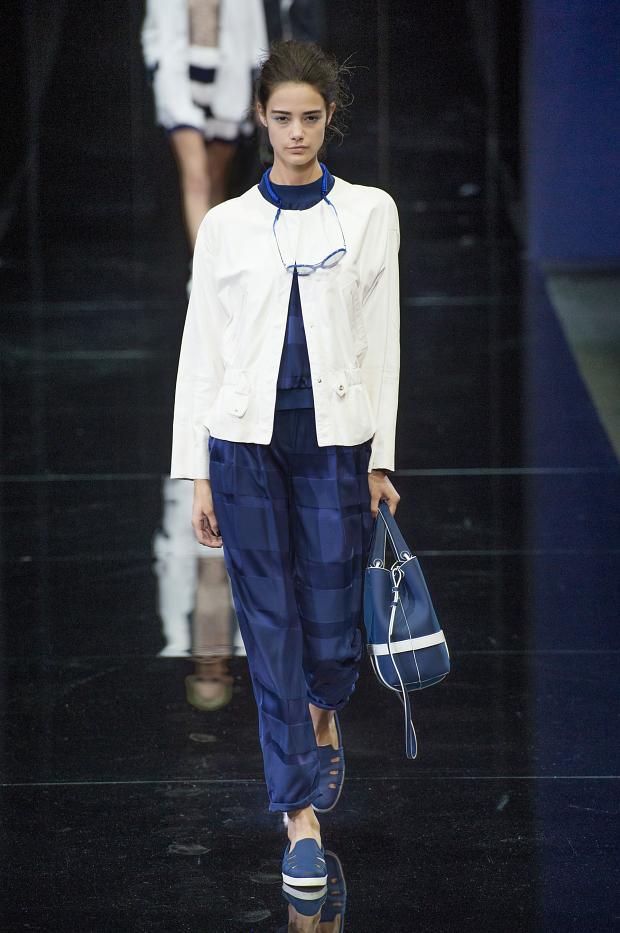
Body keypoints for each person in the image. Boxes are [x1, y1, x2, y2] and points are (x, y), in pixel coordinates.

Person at [170, 39, 401, 891]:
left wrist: (381, 457)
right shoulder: (226, 226)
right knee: (268, 631)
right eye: (281, 118)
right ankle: (298, 814)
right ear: (261, 120)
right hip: (244, 447)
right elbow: (202, 348)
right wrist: (197, 469)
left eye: (310, 117)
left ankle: (324, 710)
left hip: (335, 441)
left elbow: (383, 344)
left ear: (330, 118)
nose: (296, 132)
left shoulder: (370, 212)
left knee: (334, 631)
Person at [141, 0, 268, 250]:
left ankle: (216, 258)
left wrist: (258, 80)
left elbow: (254, 26)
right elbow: (154, 25)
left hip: (230, 80)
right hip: (178, 79)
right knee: (196, 177)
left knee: (215, 176)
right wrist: (154, 64)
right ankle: (202, 265)